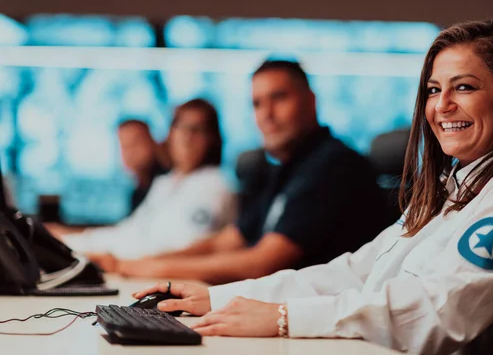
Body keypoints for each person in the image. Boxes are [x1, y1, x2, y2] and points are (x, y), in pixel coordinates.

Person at [133, 20, 493, 355]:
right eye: (434, 89)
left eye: (465, 87)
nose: (442, 105)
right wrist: (219, 297)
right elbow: (355, 272)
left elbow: (438, 310)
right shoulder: (452, 189)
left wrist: (284, 319)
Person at [107, 60, 389, 283]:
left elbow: (262, 263)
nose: (266, 114)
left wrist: (149, 268)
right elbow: (226, 242)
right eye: (257, 103)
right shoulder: (284, 169)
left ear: (311, 101)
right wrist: (147, 264)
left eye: (279, 98)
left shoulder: (332, 165)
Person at [59, 98, 234, 261]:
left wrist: (111, 260)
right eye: (180, 126)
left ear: (212, 139)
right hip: (139, 268)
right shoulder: (166, 183)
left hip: (163, 275)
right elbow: (129, 232)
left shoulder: (214, 185)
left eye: (196, 130)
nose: (186, 137)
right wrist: (68, 240)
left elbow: (182, 248)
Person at [117, 119, 169, 214]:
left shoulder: (169, 182)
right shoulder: (138, 193)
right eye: (124, 146)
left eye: (135, 143)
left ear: (153, 142)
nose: (129, 152)